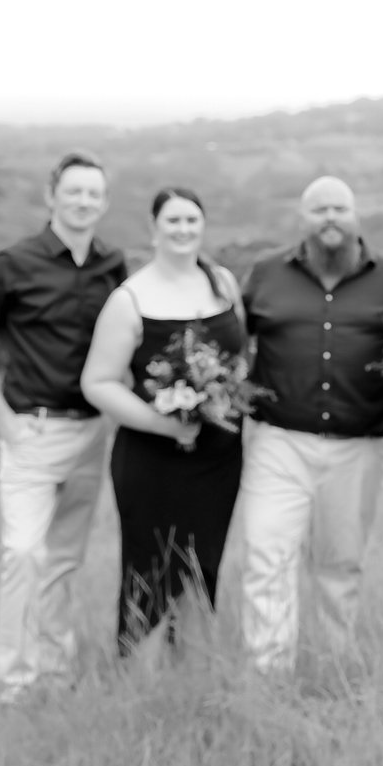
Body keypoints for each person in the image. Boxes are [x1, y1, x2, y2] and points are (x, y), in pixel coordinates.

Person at [0, 151, 128, 705]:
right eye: (73, 192)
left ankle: (55, 671)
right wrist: (3, 420)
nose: (83, 202)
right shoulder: (14, 263)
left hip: (91, 433)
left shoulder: (112, 265)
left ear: (103, 202)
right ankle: (13, 685)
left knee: (64, 559)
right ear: (51, 196)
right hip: (30, 430)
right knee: (24, 554)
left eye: (93, 194)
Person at [238, 176, 383, 673]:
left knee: (340, 565)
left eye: (339, 207)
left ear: (356, 214)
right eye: (319, 210)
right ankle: (268, 674)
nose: (330, 217)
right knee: (267, 555)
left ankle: (334, 668)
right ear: (304, 218)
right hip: (278, 441)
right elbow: (231, 342)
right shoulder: (265, 273)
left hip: (358, 446)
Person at [80, 187, 246, 656]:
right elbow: (99, 382)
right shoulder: (129, 299)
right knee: (150, 564)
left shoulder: (222, 283)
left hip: (218, 457)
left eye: (192, 220)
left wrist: (222, 396)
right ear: (153, 229)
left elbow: (239, 357)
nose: (183, 230)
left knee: (203, 562)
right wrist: (166, 424)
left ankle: (194, 668)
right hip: (151, 459)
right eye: (172, 221)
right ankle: (139, 671)